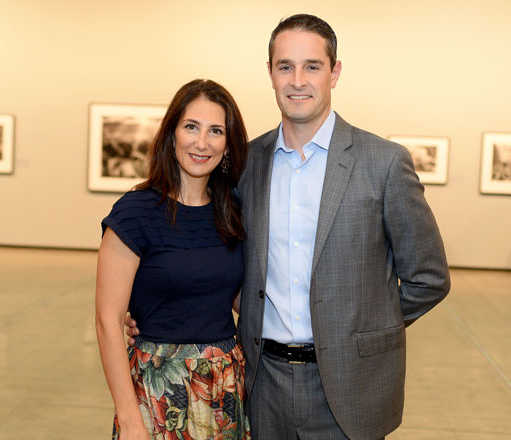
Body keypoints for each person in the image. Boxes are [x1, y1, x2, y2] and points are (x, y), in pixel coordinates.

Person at [128, 14, 450, 440]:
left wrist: (361, 332)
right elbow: (203, 253)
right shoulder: (245, 165)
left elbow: (429, 278)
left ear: (335, 72)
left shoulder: (384, 163)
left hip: (350, 387)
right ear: (270, 73)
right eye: (285, 66)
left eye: (312, 66)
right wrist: (148, 310)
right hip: (262, 385)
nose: (298, 80)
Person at [96, 79, 251, 440]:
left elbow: (237, 297)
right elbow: (107, 321)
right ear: (172, 133)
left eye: (216, 131)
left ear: (228, 144)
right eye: (191, 127)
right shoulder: (135, 212)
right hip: (158, 391)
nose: (202, 142)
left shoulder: (232, 211)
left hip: (224, 390)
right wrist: (129, 418)